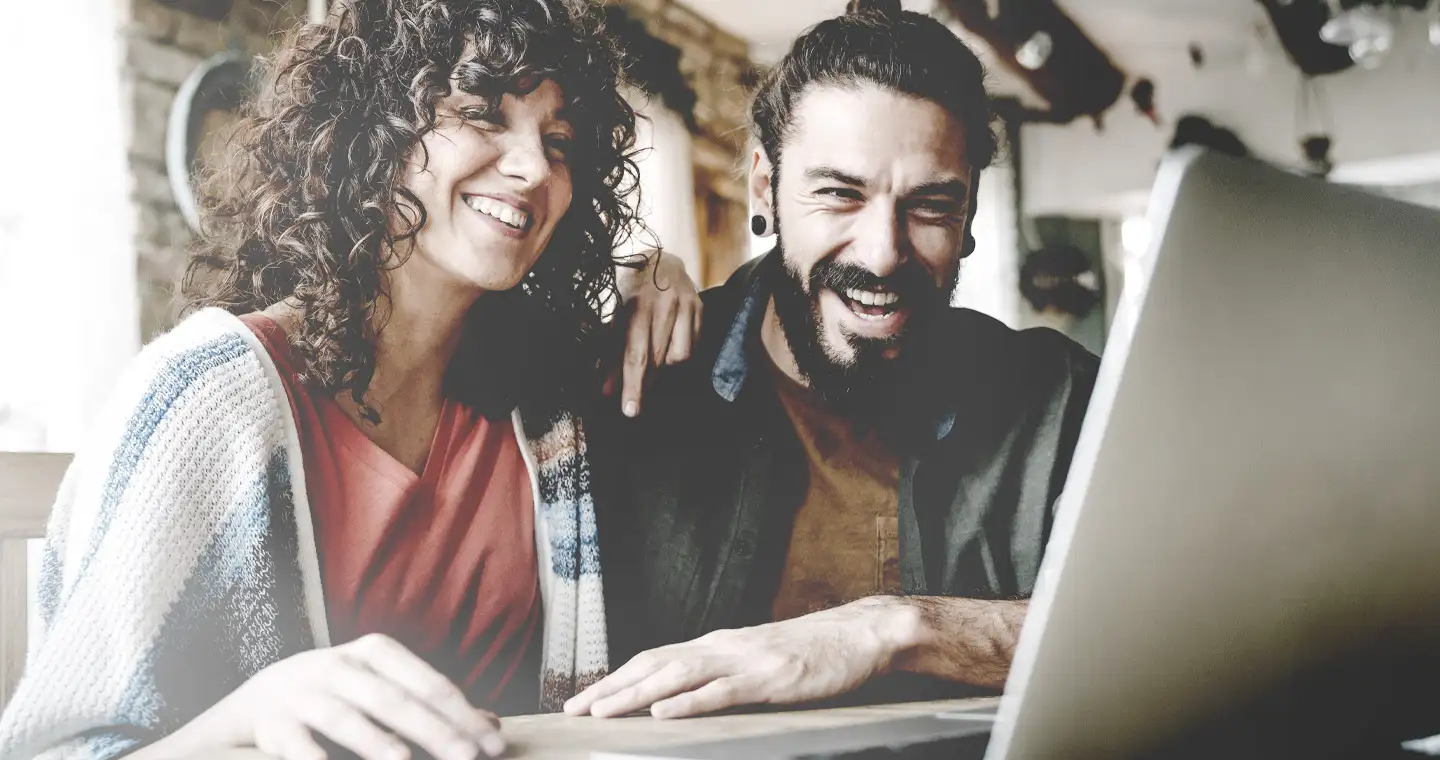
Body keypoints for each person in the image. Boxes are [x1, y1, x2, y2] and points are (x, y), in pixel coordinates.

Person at [0, 1, 700, 759]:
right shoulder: (206, 397)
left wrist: (664, 274)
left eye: (559, 141)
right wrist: (251, 716)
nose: (533, 166)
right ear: (375, 127)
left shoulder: (545, 411)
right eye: (481, 113)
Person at [566, 0, 1099, 721]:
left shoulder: (1060, 400)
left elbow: (1173, 623)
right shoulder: (643, 379)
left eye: (932, 206)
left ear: (970, 216)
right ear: (765, 188)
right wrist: (638, 271)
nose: (883, 252)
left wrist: (898, 629)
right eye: (839, 195)